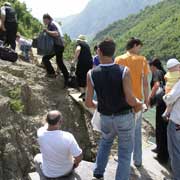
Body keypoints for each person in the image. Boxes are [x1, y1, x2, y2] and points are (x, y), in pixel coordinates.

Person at [85, 39, 142, 180]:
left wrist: (99, 104)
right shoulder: (124, 71)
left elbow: (88, 102)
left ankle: (98, 173)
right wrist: (138, 103)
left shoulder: (91, 73)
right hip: (124, 117)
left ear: (99, 52)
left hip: (105, 117)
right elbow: (130, 99)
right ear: (113, 52)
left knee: (105, 143)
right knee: (124, 152)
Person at [115, 37, 149, 167]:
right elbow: (145, 83)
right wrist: (146, 100)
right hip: (137, 102)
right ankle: (138, 160)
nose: (140, 50)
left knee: (122, 130)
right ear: (135, 45)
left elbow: (116, 81)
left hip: (122, 100)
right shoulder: (142, 60)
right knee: (136, 131)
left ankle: (123, 158)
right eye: (139, 47)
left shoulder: (119, 59)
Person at [34, 110, 83, 179]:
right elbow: (79, 156)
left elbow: (45, 127)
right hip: (66, 171)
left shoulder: (40, 133)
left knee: (37, 157)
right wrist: (75, 163)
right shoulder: (68, 137)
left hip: (48, 174)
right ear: (60, 122)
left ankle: (42, 177)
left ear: (46, 121)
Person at [148, 58, 169, 164]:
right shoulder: (164, 72)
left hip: (161, 105)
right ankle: (160, 149)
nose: (149, 69)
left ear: (153, 66)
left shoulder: (156, 72)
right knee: (164, 129)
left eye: (149, 67)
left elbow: (156, 86)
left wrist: (149, 98)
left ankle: (162, 155)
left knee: (160, 128)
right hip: (166, 104)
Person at [42, 14, 69, 85]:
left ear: (47, 19)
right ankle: (66, 77)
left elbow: (56, 34)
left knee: (46, 59)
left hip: (58, 45)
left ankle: (52, 73)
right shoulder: (53, 23)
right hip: (59, 45)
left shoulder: (51, 24)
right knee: (59, 61)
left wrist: (47, 31)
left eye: (44, 20)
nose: (44, 22)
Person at [163, 79, 180, 180]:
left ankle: (176, 177)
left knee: (175, 151)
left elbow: (170, 97)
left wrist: (164, 96)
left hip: (177, 122)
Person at [72, 35, 93, 100]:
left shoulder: (80, 44)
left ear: (79, 40)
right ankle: (86, 95)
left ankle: (83, 93)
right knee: (86, 78)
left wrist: (74, 60)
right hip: (89, 63)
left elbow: (78, 50)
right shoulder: (87, 45)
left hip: (82, 63)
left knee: (79, 76)